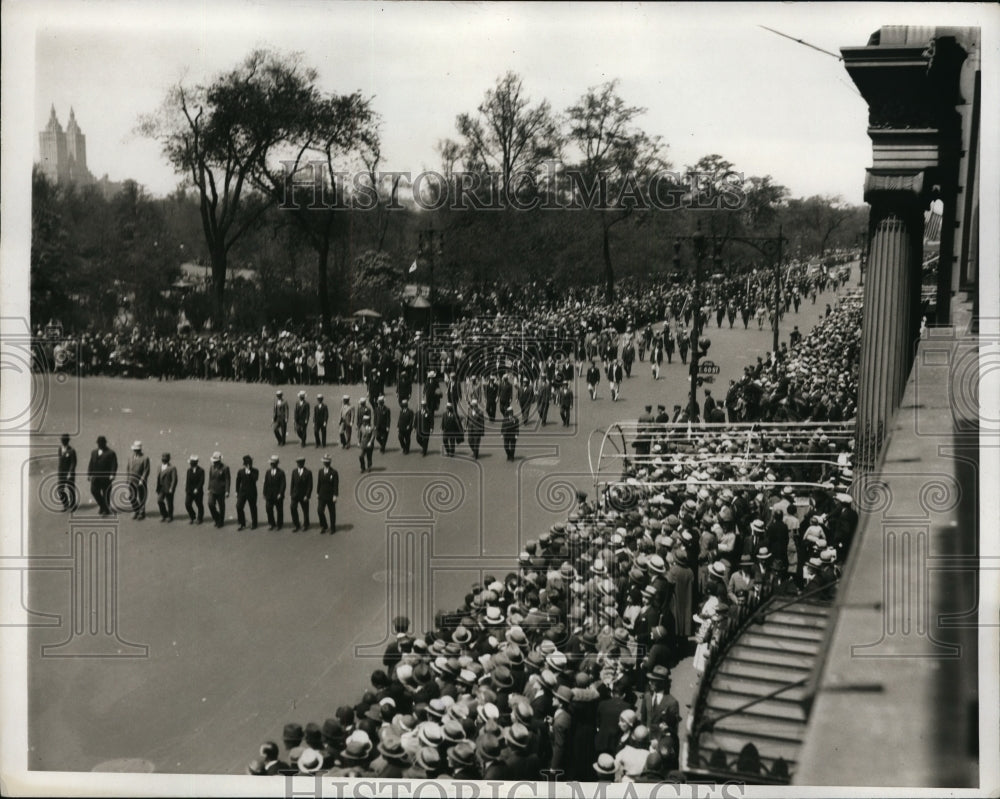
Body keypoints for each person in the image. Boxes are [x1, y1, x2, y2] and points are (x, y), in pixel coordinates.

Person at [126, 441, 151, 520]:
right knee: (131, 496)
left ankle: (141, 513)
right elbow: (128, 468)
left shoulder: (145, 458)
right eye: (135, 450)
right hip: (131, 480)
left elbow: (146, 470)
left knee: (141, 497)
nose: (135, 451)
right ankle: (136, 510)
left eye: (137, 450)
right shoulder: (130, 457)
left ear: (140, 450)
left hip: (140, 481)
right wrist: (127, 479)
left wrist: (142, 480)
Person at [207, 451, 231, 528]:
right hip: (212, 490)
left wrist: (227, 491)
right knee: (210, 504)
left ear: (219, 461)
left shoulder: (225, 468)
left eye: (216, 461)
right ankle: (217, 518)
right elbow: (210, 478)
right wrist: (208, 488)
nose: (214, 463)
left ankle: (221, 521)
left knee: (221, 506)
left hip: (221, 490)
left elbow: (227, 480)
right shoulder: (211, 467)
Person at [235, 455, 259, 530]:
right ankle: (242, 523)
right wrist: (236, 491)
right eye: (248, 464)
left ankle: (254, 523)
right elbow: (238, 482)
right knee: (239, 506)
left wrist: (249, 472)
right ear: (245, 464)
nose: (250, 465)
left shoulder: (255, 471)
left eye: (250, 463)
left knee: (253, 508)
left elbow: (255, 479)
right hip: (242, 492)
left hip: (252, 492)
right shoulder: (240, 471)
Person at [316, 454, 339, 534]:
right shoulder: (320, 471)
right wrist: (317, 492)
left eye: (327, 462)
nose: (326, 463)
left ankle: (333, 527)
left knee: (332, 512)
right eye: (325, 462)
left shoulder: (334, 472)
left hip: (330, 495)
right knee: (319, 510)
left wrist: (335, 495)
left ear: (330, 463)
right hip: (322, 495)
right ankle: (324, 525)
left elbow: (336, 485)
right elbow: (319, 483)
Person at [290, 456, 313, 531]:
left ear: (303, 463)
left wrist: (307, 495)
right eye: (298, 463)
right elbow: (292, 483)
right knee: (293, 508)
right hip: (295, 495)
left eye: (301, 463)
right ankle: (296, 524)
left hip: (304, 495)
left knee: (305, 510)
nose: (299, 464)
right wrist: (291, 494)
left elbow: (310, 485)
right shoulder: (294, 471)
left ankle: (306, 524)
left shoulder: (308, 472)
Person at [263, 455, 286, 530]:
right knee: (268, 509)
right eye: (271, 463)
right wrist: (264, 493)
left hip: (277, 495)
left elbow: (283, 484)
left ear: (276, 464)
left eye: (273, 463)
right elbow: (266, 483)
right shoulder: (268, 472)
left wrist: (280, 493)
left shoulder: (281, 472)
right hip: (269, 495)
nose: (271, 465)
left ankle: (279, 524)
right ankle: (271, 523)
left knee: (279, 510)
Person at [57, 433, 78, 511]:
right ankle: (66, 504)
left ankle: (73, 505)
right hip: (61, 473)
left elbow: (73, 463)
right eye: (62, 440)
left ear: (68, 441)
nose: (63, 442)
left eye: (65, 440)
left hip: (69, 473)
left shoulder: (72, 451)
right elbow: (60, 460)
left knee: (71, 489)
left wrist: (70, 472)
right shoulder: (59, 449)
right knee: (60, 490)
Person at [155, 452, 177, 522]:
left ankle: (170, 516)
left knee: (169, 503)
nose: (164, 460)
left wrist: (172, 488)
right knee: (159, 500)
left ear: (168, 459)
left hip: (168, 488)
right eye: (163, 458)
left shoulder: (172, 468)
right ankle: (164, 514)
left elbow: (174, 479)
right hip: (161, 488)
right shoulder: (159, 467)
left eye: (165, 459)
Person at [184, 454, 204, 524]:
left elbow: (201, 481)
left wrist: (197, 489)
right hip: (189, 491)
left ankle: (199, 518)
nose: (190, 464)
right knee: (187, 504)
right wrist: (187, 490)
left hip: (198, 492)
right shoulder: (189, 470)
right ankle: (192, 516)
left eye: (192, 462)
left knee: (199, 505)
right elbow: (187, 481)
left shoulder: (201, 471)